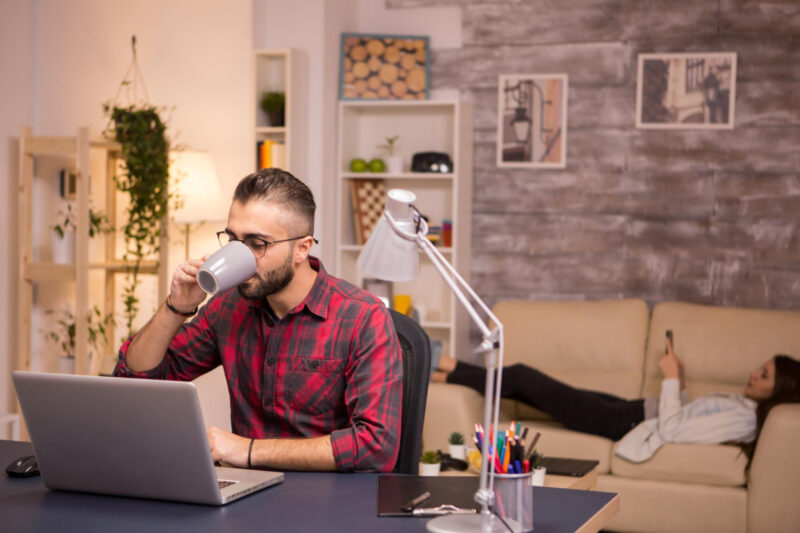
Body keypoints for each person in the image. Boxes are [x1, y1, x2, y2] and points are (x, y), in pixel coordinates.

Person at [114, 168, 403, 473]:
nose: (242, 255)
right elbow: (135, 382)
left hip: (329, 502)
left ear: (302, 248)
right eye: (233, 239)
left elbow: (375, 447)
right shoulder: (228, 307)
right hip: (245, 497)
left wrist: (249, 450)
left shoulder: (361, 317)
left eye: (257, 243)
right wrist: (176, 307)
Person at [432, 342, 800, 465]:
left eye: (764, 375)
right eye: (760, 368)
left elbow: (673, 429)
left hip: (621, 422)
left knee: (524, 378)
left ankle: (435, 366)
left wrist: (671, 380)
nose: (754, 374)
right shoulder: (744, 406)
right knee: (523, 387)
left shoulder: (746, 421)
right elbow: (686, 417)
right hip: (631, 409)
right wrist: (681, 387)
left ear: (780, 390)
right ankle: (439, 363)